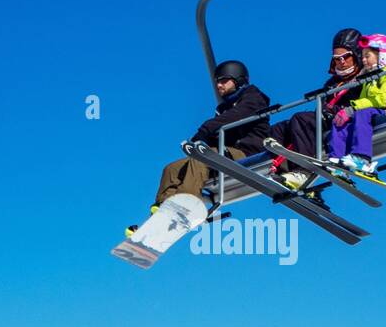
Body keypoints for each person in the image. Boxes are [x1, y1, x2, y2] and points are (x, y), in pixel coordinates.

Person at [127, 60, 270, 236]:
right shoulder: (224, 108)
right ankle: (163, 212)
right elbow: (220, 127)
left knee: (200, 160)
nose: (219, 85)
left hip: (247, 152)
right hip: (227, 153)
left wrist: (205, 131)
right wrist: (205, 137)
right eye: (217, 81)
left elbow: (235, 117)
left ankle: (186, 208)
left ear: (238, 80)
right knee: (172, 169)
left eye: (224, 80)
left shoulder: (254, 99)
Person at [269, 27, 364, 190]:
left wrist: (342, 110)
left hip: (347, 117)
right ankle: (285, 172)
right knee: (280, 128)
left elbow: (365, 102)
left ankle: (304, 171)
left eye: (346, 56)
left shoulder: (365, 77)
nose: (341, 61)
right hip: (328, 116)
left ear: (356, 55)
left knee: (301, 119)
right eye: (336, 58)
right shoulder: (332, 83)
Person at [328, 32, 386, 176]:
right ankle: (336, 161)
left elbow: (384, 99)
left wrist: (353, 107)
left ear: (383, 56)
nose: (364, 60)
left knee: (362, 112)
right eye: (363, 56)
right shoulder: (370, 79)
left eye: (368, 56)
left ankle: (362, 158)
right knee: (340, 119)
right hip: (373, 112)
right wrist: (347, 112)